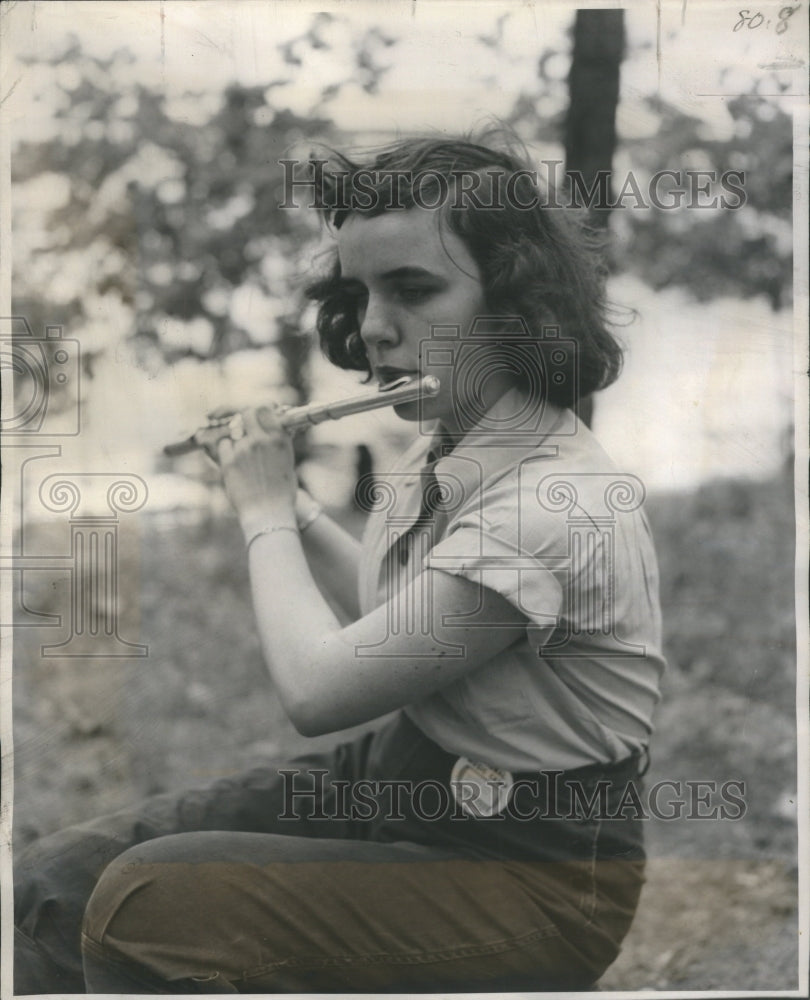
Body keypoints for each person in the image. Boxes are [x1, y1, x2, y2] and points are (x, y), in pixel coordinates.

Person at [14, 134, 665, 993]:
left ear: (517, 304)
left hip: (533, 873)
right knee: (51, 885)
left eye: (414, 289)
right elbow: (399, 620)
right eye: (359, 292)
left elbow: (317, 692)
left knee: (148, 904)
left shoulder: (553, 503)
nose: (374, 328)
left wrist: (258, 513)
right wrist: (295, 506)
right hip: (407, 778)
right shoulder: (457, 446)